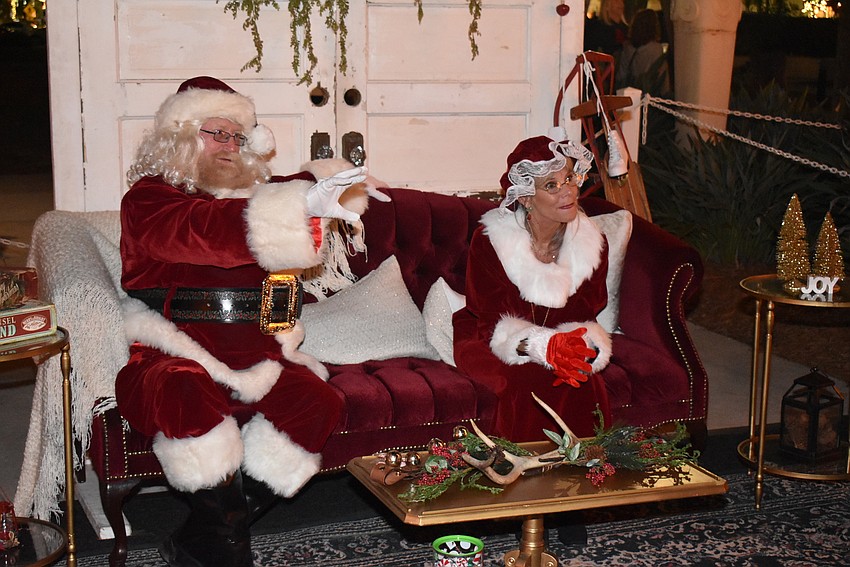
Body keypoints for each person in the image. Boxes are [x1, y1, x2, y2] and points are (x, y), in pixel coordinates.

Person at [116, 76, 389, 567]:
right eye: (216, 132)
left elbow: (272, 195)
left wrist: (331, 180)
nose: (230, 145)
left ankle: (211, 530)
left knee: (318, 402)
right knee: (184, 391)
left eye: (238, 136)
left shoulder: (245, 196)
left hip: (255, 355)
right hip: (173, 350)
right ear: (180, 135)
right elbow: (202, 229)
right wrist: (297, 206)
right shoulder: (149, 199)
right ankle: (229, 550)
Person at [452, 130, 613, 442]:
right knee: (525, 379)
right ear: (526, 197)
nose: (568, 192)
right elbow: (491, 321)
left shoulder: (591, 245)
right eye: (551, 186)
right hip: (490, 337)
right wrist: (543, 347)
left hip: (561, 337)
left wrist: (577, 348)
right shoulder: (492, 241)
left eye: (569, 179)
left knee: (584, 381)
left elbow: (586, 314)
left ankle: (584, 465)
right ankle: (518, 465)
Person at [615, 9, 671, 95]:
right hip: (649, 94)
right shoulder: (656, 49)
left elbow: (621, 75)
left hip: (630, 93)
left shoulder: (627, 48)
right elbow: (662, 78)